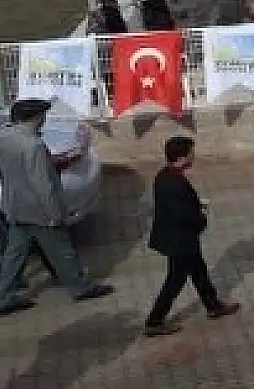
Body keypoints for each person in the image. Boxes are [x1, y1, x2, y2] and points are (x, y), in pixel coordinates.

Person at [0, 99, 116, 315]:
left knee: (13, 255)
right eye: (42, 116)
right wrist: (56, 213)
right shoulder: (34, 146)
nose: (43, 120)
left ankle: (3, 294)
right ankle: (80, 287)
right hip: (40, 211)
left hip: (16, 207)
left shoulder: (5, 138)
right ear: (36, 118)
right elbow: (43, 184)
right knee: (63, 250)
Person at [143, 136, 240, 337]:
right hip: (180, 241)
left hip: (179, 239)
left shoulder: (165, 176)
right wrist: (200, 218)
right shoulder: (174, 183)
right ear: (182, 156)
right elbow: (183, 215)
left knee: (199, 273)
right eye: (191, 152)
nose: (193, 156)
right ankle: (154, 321)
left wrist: (196, 204)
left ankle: (213, 305)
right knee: (175, 280)